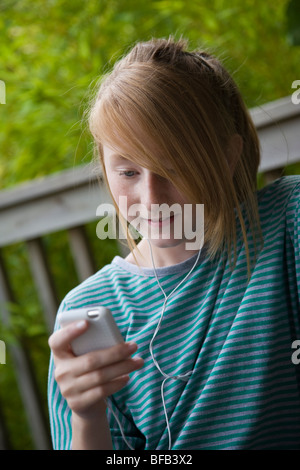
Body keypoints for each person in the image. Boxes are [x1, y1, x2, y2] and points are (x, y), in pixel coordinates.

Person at [48, 37, 300, 450]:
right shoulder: (88, 308)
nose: (151, 198)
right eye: (128, 172)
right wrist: (86, 416)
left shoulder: (287, 222)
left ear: (226, 155)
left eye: (173, 166)